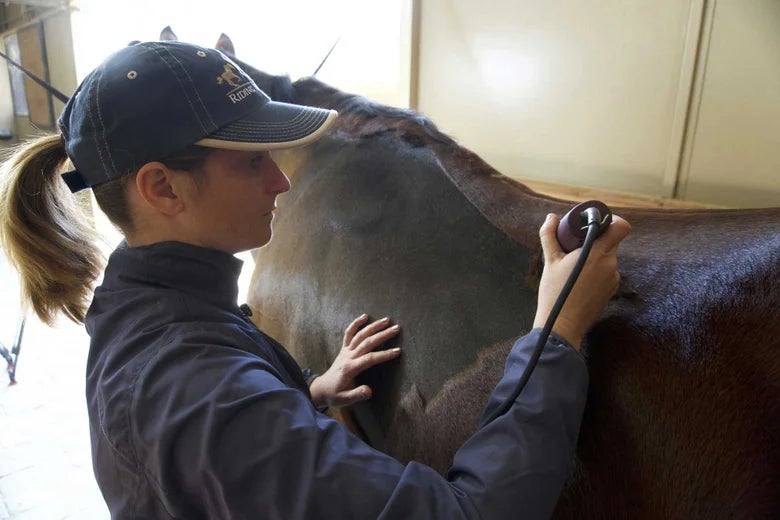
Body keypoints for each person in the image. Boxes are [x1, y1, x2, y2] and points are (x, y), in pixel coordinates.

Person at [0, 41, 630, 519]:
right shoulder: (198, 394)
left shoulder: (154, 308)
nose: (280, 181)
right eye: (251, 163)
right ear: (162, 187)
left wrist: (300, 394)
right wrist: (558, 328)